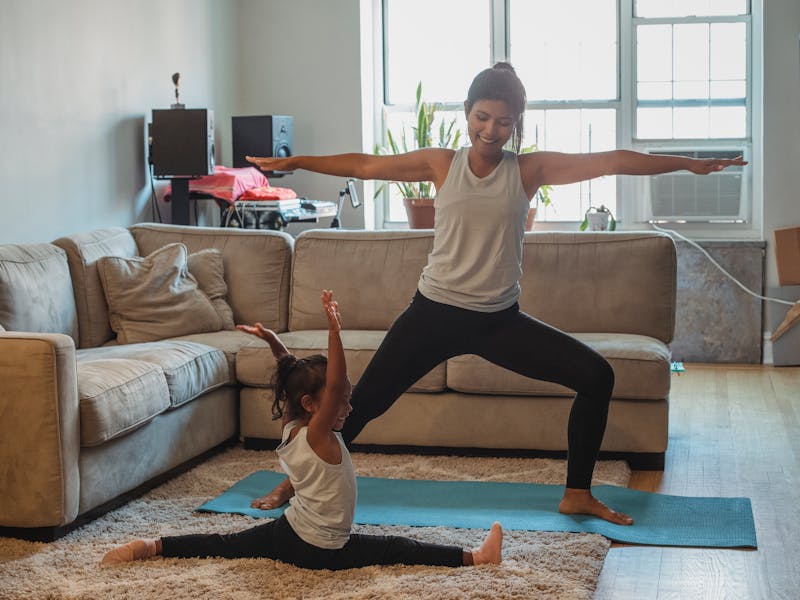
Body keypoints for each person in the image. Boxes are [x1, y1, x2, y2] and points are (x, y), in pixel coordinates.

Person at [246, 62, 747, 526]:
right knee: (359, 405)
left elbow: (611, 161)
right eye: (482, 118)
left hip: (497, 321)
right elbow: (364, 165)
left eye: (504, 122)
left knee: (597, 376)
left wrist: (686, 164)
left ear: (517, 124)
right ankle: (294, 482)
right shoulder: (441, 164)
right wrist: (296, 161)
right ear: (467, 112)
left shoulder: (528, 171)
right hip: (433, 314)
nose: (490, 130)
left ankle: (577, 492)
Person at [101, 290, 503, 569]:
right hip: (324, 549)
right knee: (398, 547)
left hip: (290, 533)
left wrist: (273, 340)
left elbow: (290, 370)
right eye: (340, 401)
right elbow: (334, 383)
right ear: (313, 405)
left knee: (224, 543)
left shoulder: (292, 427)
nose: (348, 407)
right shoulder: (318, 436)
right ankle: (474, 557)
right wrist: (334, 332)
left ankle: (150, 546)